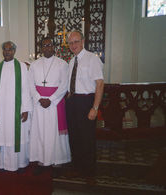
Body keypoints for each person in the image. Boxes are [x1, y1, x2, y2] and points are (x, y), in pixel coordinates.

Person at [0, 41, 32, 172]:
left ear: (14, 51)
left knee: (18, 135)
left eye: (10, 49)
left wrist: (26, 109)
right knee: (3, 135)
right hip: (2, 112)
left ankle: (20, 163)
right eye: (5, 49)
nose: (7, 52)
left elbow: (26, 89)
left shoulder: (22, 67)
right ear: (2, 51)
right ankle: (2, 163)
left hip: (17, 111)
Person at [29, 36, 71, 175]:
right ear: (41, 48)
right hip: (39, 104)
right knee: (40, 131)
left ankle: (57, 160)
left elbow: (64, 85)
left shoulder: (62, 64)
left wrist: (51, 99)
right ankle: (41, 160)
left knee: (54, 132)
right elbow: (30, 85)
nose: (47, 47)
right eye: (44, 45)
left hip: (55, 104)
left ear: (54, 47)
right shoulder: (34, 65)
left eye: (50, 45)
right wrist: (39, 98)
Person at [66, 31, 104, 179]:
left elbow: (100, 84)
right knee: (74, 138)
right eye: (70, 43)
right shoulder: (71, 61)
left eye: (76, 41)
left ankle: (90, 173)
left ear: (82, 41)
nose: (73, 45)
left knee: (87, 138)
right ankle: (77, 168)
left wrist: (95, 107)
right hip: (72, 102)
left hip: (86, 102)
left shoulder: (92, 59)